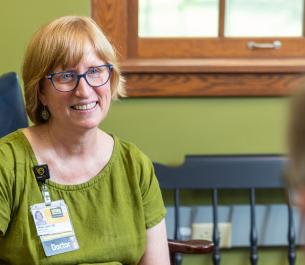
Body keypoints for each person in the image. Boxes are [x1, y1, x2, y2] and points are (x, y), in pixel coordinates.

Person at [0, 16, 170, 265]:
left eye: (95, 71)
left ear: (110, 78)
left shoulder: (135, 166)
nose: (84, 90)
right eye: (66, 76)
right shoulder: (8, 164)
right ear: (41, 91)